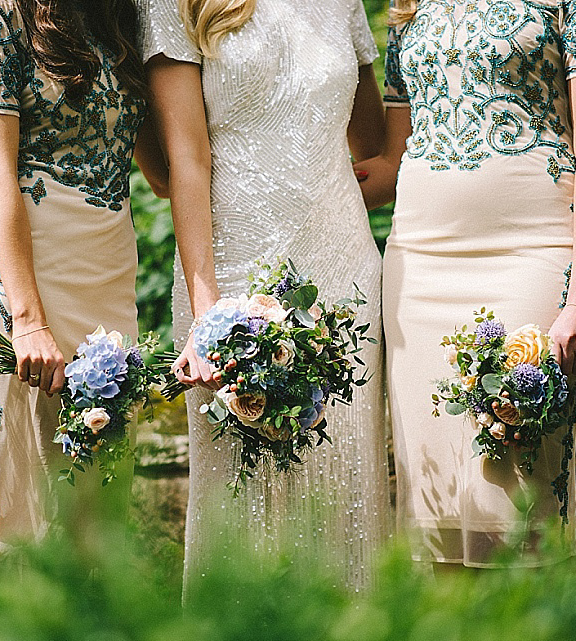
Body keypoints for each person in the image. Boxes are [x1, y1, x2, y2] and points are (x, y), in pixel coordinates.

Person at [357, 0, 576, 567]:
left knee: (510, 507)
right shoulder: (407, 6)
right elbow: (395, 155)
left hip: (530, 256)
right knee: (432, 511)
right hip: (419, 266)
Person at [139, 0, 392, 593]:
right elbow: (186, 159)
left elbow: (377, 146)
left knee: (345, 493)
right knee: (241, 497)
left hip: (342, 272)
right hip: (228, 270)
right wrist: (209, 318)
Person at [0, 0, 164, 573]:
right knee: (11, 517)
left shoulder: (122, 17)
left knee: (96, 521)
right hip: (21, 291)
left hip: (108, 286)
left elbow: (165, 174)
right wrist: (28, 321)